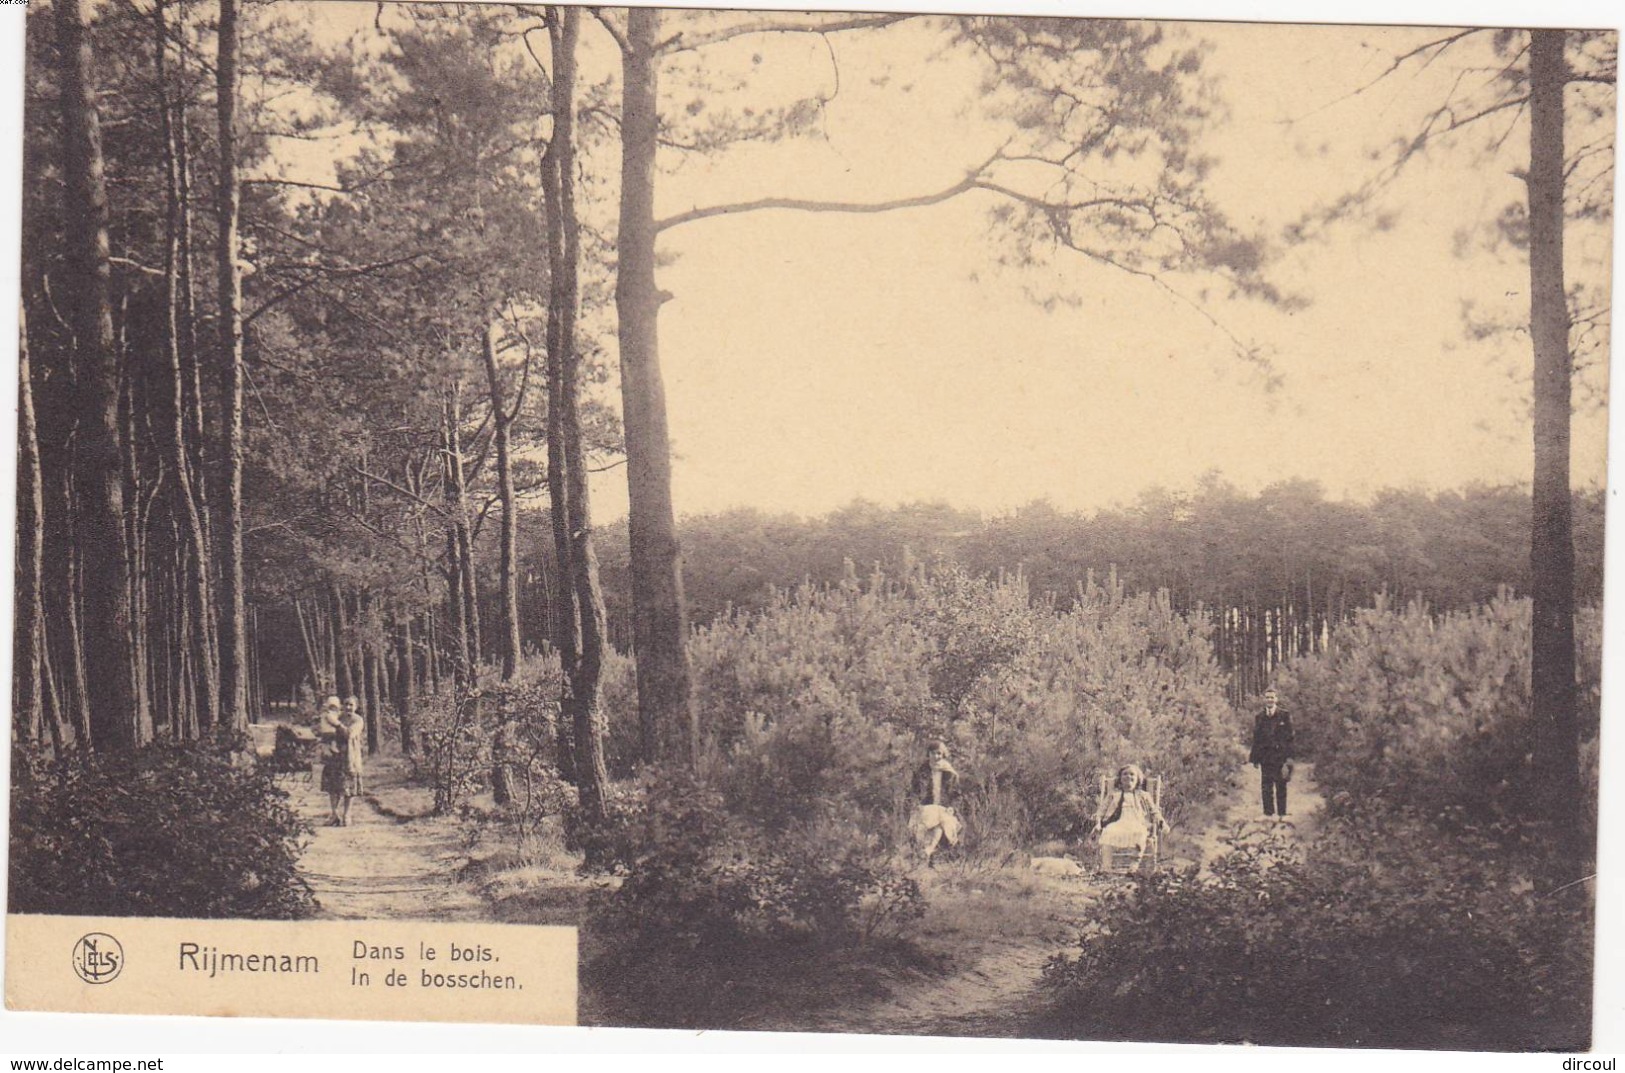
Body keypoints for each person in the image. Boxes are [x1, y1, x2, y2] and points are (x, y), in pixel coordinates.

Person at [1093, 763, 1168, 872]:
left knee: (1140, 833)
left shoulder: (1144, 795)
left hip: (1137, 823)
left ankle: (1133, 866)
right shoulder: (1113, 794)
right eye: (1125, 774)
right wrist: (1098, 823)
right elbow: (1100, 812)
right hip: (1118, 822)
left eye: (1132, 774)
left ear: (1138, 779)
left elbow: (1154, 812)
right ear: (1120, 778)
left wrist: (1162, 822)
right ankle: (1106, 867)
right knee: (1107, 832)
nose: (1128, 777)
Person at [909, 740, 962, 867]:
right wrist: (915, 804)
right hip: (926, 807)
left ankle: (928, 852)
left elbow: (957, 795)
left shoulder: (950, 773)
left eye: (939, 753)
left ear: (943, 755)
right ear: (928, 754)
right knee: (925, 824)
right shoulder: (921, 771)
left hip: (944, 809)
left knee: (943, 823)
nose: (936, 756)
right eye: (933, 753)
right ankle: (926, 853)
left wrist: (952, 807)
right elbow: (914, 791)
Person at [1250, 688, 1296, 820]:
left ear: (1276, 699)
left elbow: (1290, 738)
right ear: (1264, 700)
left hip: (1280, 756)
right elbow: (1256, 738)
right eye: (1267, 697)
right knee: (1266, 785)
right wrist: (1255, 758)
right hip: (1265, 757)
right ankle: (1268, 814)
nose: (1270, 700)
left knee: (1281, 784)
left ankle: (1282, 813)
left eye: (1272, 697)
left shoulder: (1284, 715)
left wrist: (1289, 757)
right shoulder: (1259, 717)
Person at [335, 696, 367, 826]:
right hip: (336, 755)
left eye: (351, 705)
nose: (348, 707)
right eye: (346, 704)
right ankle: (334, 813)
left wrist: (337, 725)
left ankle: (347, 814)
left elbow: (350, 734)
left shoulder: (358, 720)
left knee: (350, 785)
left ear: (356, 707)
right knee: (334, 785)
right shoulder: (338, 717)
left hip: (351, 755)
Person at [317, 696, 346, 825]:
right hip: (331, 750)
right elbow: (337, 726)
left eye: (335, 706)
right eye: (331, 706)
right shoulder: (328, 716)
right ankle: (334, 812)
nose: (333, 709)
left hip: (338, 752)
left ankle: (337, 812)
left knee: (338, 783)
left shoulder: (338, 716)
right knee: (332, 783)